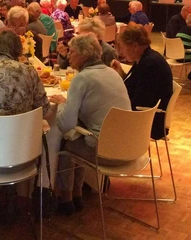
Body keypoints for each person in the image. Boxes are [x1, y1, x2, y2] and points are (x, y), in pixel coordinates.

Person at [50, 34, 131, 215]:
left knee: (65, 142)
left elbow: (65, 124)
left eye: (71, 52)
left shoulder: (82, 78)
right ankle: (77, 193)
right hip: (128, 146)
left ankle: (66, 198)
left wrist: (62, 103)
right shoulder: (112, 72)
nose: (68, 56)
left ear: (84, 54)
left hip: (105, 152)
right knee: (80, 136)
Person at [111, 25, 173, 138]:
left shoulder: (150, 65)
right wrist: (120, 71)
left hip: (149, 120)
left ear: (134, 46)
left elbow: (140, 100)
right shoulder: (145, 58)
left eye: (123, 47)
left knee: (101, 122)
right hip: (144, 114)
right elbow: (134, 84)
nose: (121, 52)